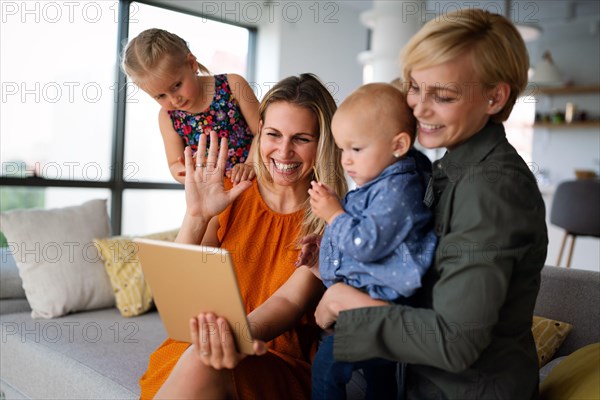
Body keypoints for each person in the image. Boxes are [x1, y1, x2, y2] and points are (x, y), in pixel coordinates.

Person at [312, 9, 548, 399]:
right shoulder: (445, 165)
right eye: (415, 87)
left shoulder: (492, 190)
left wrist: (350, 304)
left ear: (495, 97)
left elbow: (456, 341)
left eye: (443, 95)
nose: (419, 108)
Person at [138, 73, 348, 399]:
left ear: (323, 142)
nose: (284, 151)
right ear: (259, 131)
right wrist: (196, 216)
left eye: (302, 138)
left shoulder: (331, 216)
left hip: (270, 355)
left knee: (202, 360)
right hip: (204, 343)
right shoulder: (230, 192)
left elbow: (290, 302)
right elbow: (182, 281)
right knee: (198, 358)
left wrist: (230, 337)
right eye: (274, 135)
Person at [308, 83, 437, 399]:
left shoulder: (398, 190)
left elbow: (366, 243)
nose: (345, 160)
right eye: (341, 149)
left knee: (326, 366)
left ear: (399, 145)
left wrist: (334, 216)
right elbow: (365, 238)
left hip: (382, 306)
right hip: (369, 299)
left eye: (356, 149)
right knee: (379, 377)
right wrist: (326, 244)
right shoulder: (379, 184)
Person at [122, 28, 260, 184]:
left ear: (192, 64)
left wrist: (250, 164)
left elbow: (263, 131)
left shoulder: (233, 85)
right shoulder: (167, 117)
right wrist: (187, 171)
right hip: (209, 194)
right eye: (161, 96)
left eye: (176, 86)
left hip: (253, 182)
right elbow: (175, 163)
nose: (174, 100)